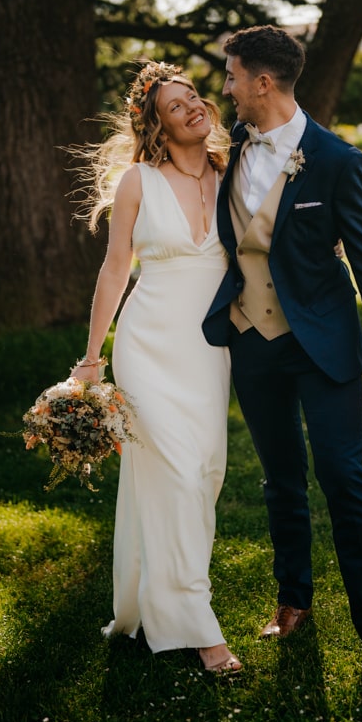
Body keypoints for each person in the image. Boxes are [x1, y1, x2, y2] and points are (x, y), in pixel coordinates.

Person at [203, 25, 362, 682]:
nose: (227, 88)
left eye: (233, 76)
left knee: (343, 480)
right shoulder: (221, 154)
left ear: (262, 83)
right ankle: (293, 598)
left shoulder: (335, 160)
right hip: (249, 339)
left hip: (322, 344)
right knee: (279, 481)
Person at [70, 61, 242, 674]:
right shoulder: (138, 182)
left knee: (206, 474)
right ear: (156, 126)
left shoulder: (232, 172)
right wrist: (92, 359)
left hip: (208, 350)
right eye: (177, 105)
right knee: (175, 473)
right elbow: (116, 270)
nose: (194, 106)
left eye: (195, 95)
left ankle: (148, 601)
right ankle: (199, 626)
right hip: (146, 347)